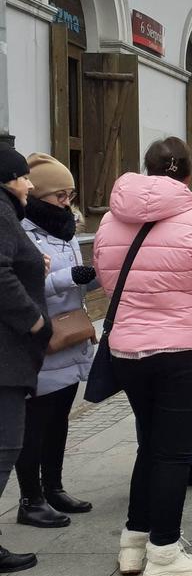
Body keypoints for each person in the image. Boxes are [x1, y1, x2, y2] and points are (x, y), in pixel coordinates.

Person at [93, 138, 192, 576]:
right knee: (175, 451)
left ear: (146, 169)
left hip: (128, 350)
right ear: (188, 175)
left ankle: (134, 542)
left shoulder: (109, 220)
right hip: (184, 351)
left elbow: (107, 282)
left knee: (152, 446)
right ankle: (165, 551)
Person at [16, 154, 99, 529]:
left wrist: (96, 276)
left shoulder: (65, 231)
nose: (68, 203)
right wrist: (70, 278)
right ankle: (30, 497)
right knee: (35, 423)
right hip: (41, 339)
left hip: (70, 334)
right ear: (39, 197)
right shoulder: (20, 232)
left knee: (60, 418)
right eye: (60, 196)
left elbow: (78, 280)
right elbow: (22, 285)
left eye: (71, 194)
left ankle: (54, 486)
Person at [0, 146, 50, 576]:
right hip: (5, 354)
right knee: (4, 447)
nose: (29, 184)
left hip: (10, 353)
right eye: (22, 177)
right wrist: (33, 319)